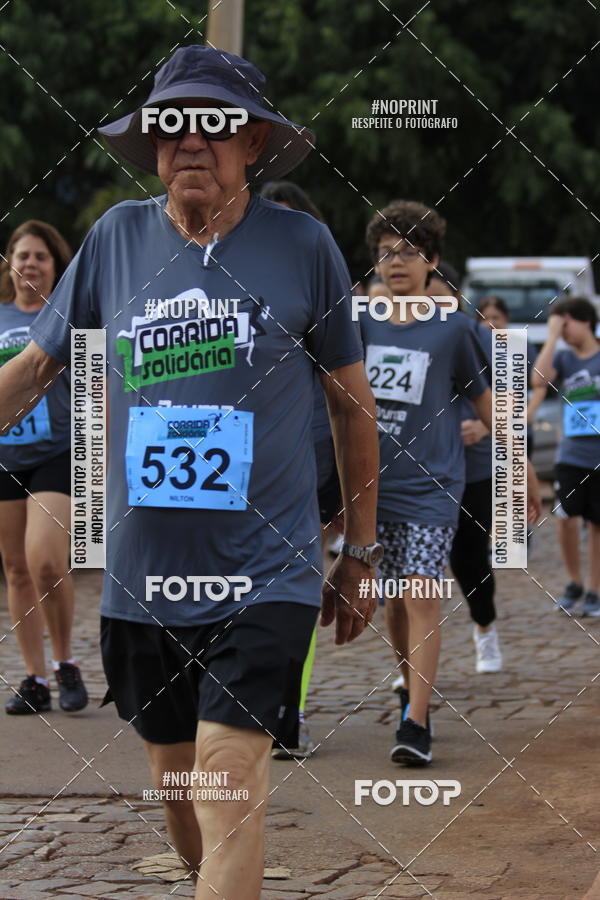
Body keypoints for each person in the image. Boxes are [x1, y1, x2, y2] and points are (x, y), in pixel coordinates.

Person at [0, 46, 381, 900]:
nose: (191, 143)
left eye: (213, 125)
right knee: (182, 793)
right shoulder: (115, 239)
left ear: (253, 144)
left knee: (226, 777)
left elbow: (354, 409)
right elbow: (33, 370)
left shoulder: (303, 246)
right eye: (172, 127)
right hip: (143, 586)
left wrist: (360, 548)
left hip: (267, 574)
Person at [362, 201, 542, 766]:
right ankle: (409, 685)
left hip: (431, 486)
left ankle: (416, 720)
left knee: (421, 594)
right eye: (387, 252)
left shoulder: (455, 331)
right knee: (394, 600)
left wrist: (524, 466)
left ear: (431, 262)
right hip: (373, 487)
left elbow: (488, 402)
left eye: (409, 252)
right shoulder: (355, 325)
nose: (397, 262)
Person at [0, 220, 89, 715]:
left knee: (47, 560)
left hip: (58, 453)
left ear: (56, 266)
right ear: (9, 262)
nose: (30, 262)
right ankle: (34, 678)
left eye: (41, 255)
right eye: (22, 254)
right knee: (15, 569)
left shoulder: (69, 316)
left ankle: (65, 662)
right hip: (4, 457)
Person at [533, 297, 600, 616]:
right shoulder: (562, 356)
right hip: (570, 453)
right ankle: (573, 582)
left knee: (597, 523)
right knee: (565, 517)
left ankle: (595, 589)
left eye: (565, 323)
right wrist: (552, 337)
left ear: (584, 320)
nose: (563, 331)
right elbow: (538, 380)